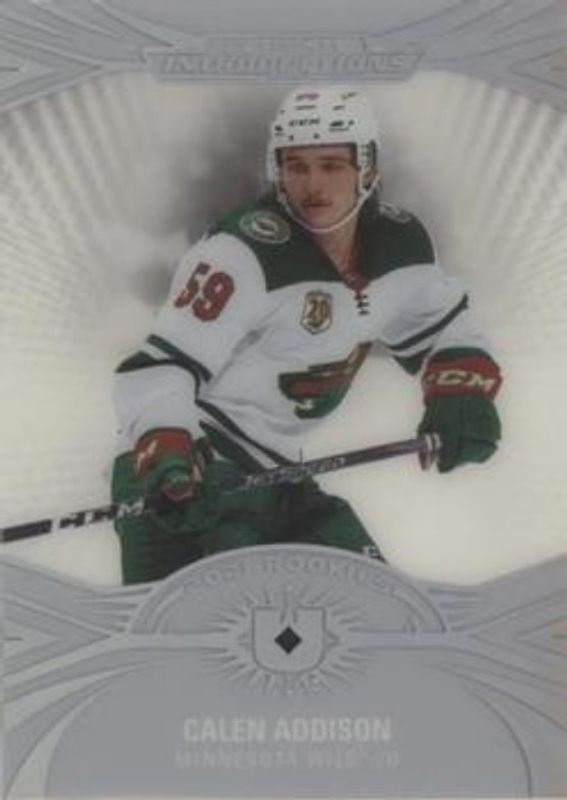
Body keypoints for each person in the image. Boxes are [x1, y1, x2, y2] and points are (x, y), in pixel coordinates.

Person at [112, 86, 502, 584]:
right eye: (296, 167)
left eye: (331, 165)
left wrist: (461, 391)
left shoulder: (400, 245)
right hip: (190, 476)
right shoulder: (239, 253)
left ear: (367, 169)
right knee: (214, 623)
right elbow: (159, 368)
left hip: (280, 477)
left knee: (368, 596)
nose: (312, 185)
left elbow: (445, 328)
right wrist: (167, 449)